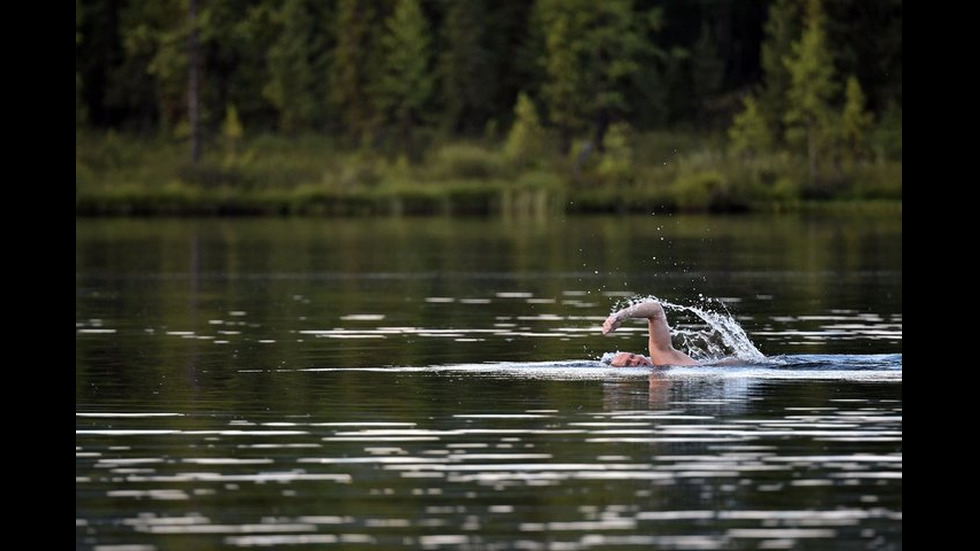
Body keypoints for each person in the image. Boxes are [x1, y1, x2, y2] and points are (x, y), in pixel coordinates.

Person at [601, 299, 697, 367]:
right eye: (628, 364)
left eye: (632, 356)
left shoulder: (661, 358)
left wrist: (619, 316)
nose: (635, 361)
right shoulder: (660, 369)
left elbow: (656, 310)